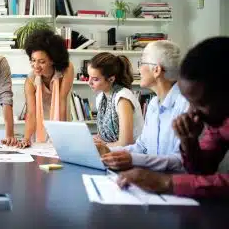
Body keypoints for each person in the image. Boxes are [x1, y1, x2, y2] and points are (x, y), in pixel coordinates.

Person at [118, 36, 229, 198]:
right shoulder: (216, 121)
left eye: (201, 103)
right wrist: (189, 143)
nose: (192, 112)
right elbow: (204, 170)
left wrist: (167, 182)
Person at [97, 40, 188, 172]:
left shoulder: (185, 105)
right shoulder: (153, 104)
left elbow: (181, 161)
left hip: (175, 187)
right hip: (152, 181)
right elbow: (141, 147)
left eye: (142, 63)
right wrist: (107, 149)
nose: (139, 69)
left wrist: (132, 160)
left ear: (156, 70)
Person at [17, 29, 74, 147]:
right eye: (33, 60)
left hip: (61, 123)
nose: (36, 66)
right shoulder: (30, 81)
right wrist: (26, 138)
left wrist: (62, 136)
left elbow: (62, 102)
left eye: (41, 62)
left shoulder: (66, 70)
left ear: (53, 60)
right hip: (39, 128)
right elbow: (31, 114)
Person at [88, 52, 144, 147]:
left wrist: (102, 145)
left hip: (131, 154)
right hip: (112, 151)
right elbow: (105, 136)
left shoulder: (123, 98)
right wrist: (95, 139)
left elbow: (126, 143)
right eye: (89, 76)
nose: (89, 82)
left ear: (111, 79)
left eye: (95, 79)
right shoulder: (101, 98)